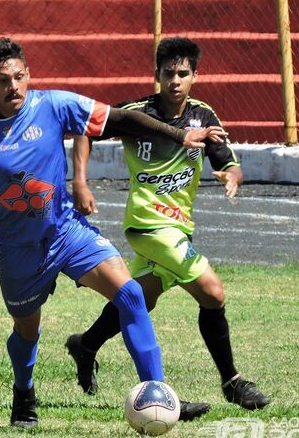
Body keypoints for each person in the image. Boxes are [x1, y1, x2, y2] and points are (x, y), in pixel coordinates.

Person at [0, 37, 225, 428]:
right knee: (27, 331)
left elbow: (122, 119)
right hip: (20, 248)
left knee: (130, 293)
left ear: (28, 74)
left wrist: (180, 135)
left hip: (67, 232)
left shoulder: (54, 105)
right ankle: (24, 394)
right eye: (2, 80)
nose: (13, 87)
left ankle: (159, 394)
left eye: (18, 77)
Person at [68, 36, 271, 414]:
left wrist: (232, 174)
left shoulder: (203, 116)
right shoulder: (137, 113)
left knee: (140, 298)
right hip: (147, 226)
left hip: (179, 227)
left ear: (195, 76)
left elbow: (227, 159)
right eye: (168, 73)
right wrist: (80, 181)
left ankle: (86, 344)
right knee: (212, 291)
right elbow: (85, 129)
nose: (175, 81)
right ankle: (233, 382)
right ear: (157, 75)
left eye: (183, 73)